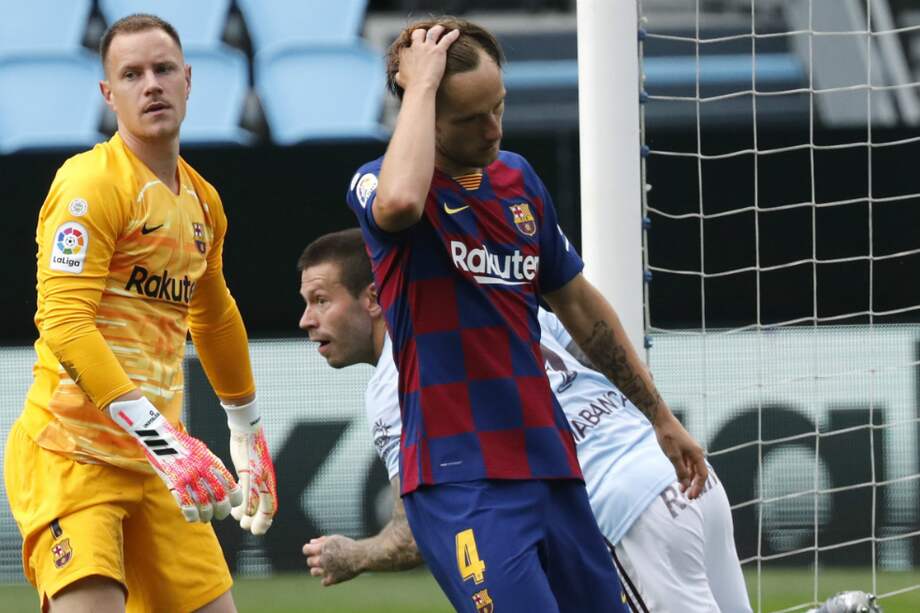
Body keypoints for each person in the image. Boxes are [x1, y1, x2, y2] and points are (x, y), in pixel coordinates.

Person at [345, 16, 708, 612]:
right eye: (470, 118)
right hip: (461, 479)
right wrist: (420, 85)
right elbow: (401, 201)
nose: (493, 128)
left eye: (499, 107)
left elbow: (580, 306)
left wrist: (659, 417)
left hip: (551, 464)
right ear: (424, 111)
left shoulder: (518, 180)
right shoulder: (378, 184)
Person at [298, 229, 753, 612]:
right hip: (687, 480)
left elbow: (412, 535)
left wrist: (354, 555)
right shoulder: (495, 306)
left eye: (321, 301)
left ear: (374, 298)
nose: (306, 320)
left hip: (623, 511)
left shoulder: (395, 381)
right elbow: (598, 356)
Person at [3, 14, 277, 613]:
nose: (151, 84)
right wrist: (164, 441)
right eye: (132, 75)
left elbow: (214, 315)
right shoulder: (90, 184)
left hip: (159, 465)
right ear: (109, 94)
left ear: (188, 80)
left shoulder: (204, 201)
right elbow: (65, 325)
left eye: (163, 69)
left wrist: (247, 429)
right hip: (72, 455)